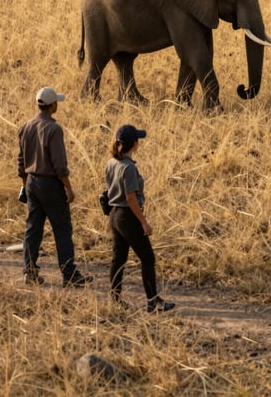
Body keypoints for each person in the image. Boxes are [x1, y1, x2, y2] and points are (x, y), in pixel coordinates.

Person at [18, 87, 92, 288]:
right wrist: (68, 188)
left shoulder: (26, 126)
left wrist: (26, 185)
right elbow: (59, 165)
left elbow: (21, 160)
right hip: (50, 184)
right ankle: (69, 274)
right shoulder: (53, 129)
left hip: (32, 181)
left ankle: (30, 271)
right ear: (52, 105)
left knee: (33, 228)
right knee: (62, 230)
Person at [106, 124, 175, 313]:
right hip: (128, 216)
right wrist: (143, 222)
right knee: (147, 258)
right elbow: (130, 198)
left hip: (114, 215)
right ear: (134, 144)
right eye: (138, 140)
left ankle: (115, 298)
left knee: (118, 259)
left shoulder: (111, 162)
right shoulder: (128, 168)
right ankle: (153, 301)